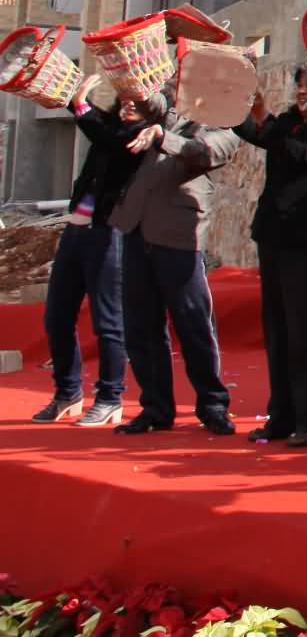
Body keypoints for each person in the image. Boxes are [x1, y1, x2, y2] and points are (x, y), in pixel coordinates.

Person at [110, 86, 242, 436]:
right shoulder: (166, 113)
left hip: (179, 236)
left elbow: (202, 152)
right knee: (141, 326)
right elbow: (153, 103)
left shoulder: (224, 128)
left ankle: (212, 405)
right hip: (137, 228)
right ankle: (156, 408)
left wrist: (162, 137)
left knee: (193, 324)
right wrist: (134, 86)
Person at [235, 65, 307, 446]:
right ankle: (282, 417)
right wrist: (229, 104)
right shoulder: (286, 123)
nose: (303, 91)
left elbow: (302, 153)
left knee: (306, 331)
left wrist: (266, 121)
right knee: (278, 329)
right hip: (273, 236)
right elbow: (255, 132)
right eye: (299, 84)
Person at [32, 74, 142, 427]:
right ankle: (67, 392)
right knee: (57, 317)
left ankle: (110, 396)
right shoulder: (109, 125)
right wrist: (63, 85)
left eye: (137, 101)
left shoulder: (140, 137)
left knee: (107, 321)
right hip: (75, 232)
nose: (128, 104)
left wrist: (81, 103)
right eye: (125, 98)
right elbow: (88, 115)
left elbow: (103, 134)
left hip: (108, 234)